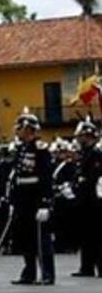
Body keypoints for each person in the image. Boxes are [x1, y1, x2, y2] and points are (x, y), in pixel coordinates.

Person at [9, 110, 54, 286]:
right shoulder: (21, 149)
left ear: (28, 129)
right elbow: (16, 179)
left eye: (19, 128)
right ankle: (29, 273)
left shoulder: (40, 150)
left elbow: (46, 177)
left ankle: (47, 274)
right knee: (25, 238)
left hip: (36, 199)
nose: (17, 131)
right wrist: (14, 201)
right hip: (23, 200)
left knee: (41, 239)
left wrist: (45, 203)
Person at [72, 118, 102, 277]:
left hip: (94, 201)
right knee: (85, 236)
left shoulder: (96, 154)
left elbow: (93, 177)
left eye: (80, 136)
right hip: (84, 201)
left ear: (88, 136)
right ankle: (86, 267)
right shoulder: (84, 154)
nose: (78, 139)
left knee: (96, 236)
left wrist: (82, 181)